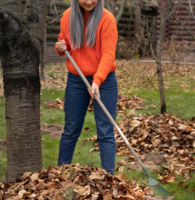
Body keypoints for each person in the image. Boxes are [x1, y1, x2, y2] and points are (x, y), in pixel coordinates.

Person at [55, 0, 118, 174]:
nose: (89, 1)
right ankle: (61, 173)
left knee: (105, 131)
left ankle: (108, 178)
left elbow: (108, 55)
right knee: (71, 129)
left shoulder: (107, 19)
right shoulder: (68, 16)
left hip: (104, 81)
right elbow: (64, 44)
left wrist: (97, 81)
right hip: (76, 80)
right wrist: (60, 46)